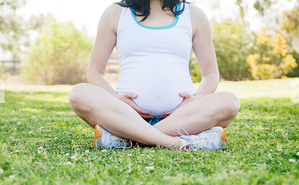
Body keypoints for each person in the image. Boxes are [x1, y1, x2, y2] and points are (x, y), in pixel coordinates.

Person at [69, 0, 240, 151]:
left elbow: (210, 74)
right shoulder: (114, 13)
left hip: (182, 118)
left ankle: (127, 137)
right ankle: (177, 143)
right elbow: (95, 73)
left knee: (230, 103)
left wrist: (198, 98)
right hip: (126, 114)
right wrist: (115, 98)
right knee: (79, 95)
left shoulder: (194, 15)